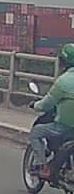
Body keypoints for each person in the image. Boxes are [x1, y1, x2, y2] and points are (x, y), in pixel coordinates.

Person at [27, 43, 74, 175]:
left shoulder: (63, 81)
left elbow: (46, 104)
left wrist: (35, 105)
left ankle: (41, 165)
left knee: (36, 132)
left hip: (64, 127)